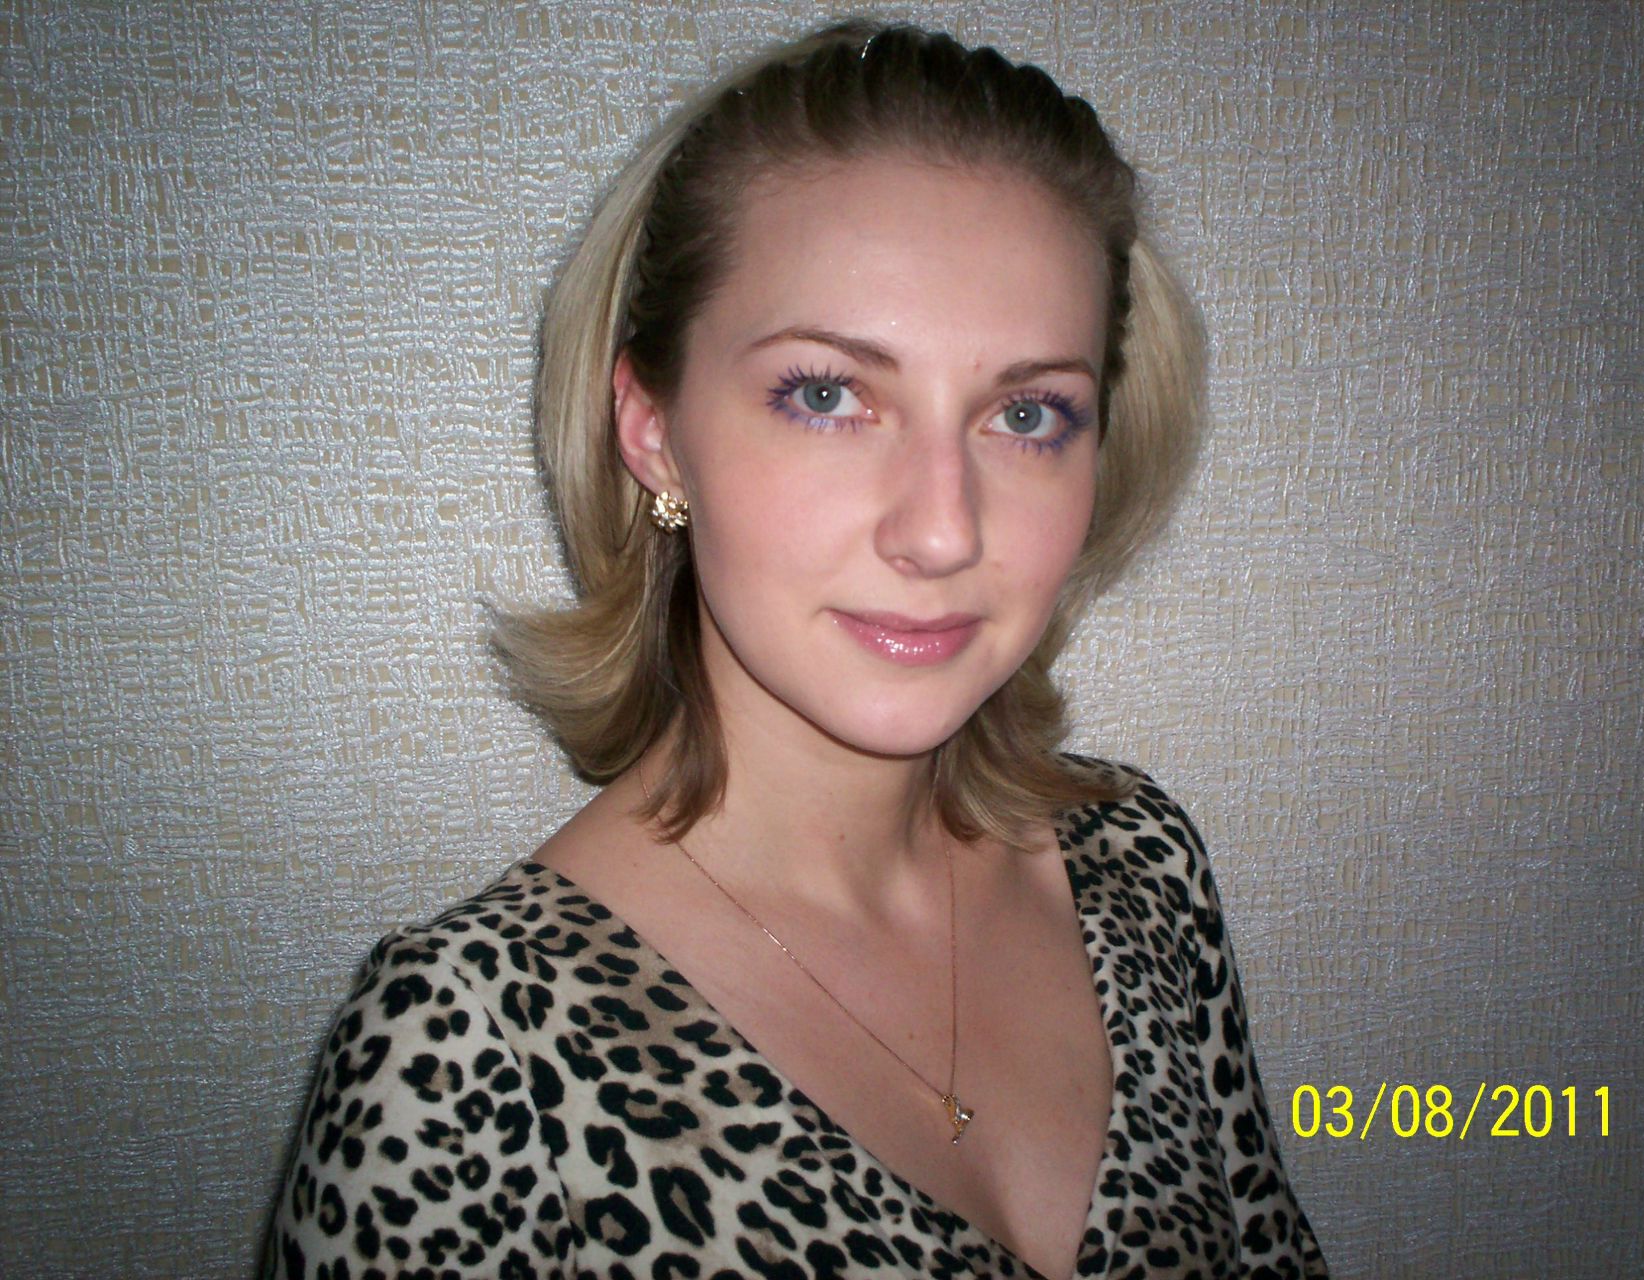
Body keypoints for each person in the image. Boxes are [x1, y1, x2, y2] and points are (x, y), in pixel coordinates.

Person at [263, 20, 1327, 1280]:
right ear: (652, 429)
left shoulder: (1138, 867)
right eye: (827, 394)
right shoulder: (462, 1053)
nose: (941, 529)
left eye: (1027, 413)